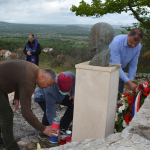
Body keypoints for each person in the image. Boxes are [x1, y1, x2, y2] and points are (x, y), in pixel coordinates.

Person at [0, 60, 58, 150]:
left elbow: (18, 76)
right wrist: (43, 128)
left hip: (2, 84)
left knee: (3, 113)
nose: (48, 87)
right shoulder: (28, 82)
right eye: (48, 84)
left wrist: (16, 96)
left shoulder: (34, 69)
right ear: (42, 77)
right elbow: (26, 112)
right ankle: (11, 147)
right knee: (7, 115)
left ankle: (3, 139)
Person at [34, 71, 75, 139]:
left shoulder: (69, 76)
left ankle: (63, 126)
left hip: (59, 96)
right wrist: (55, 130)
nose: (65, 93)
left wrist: (73, 93)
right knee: (47, 112)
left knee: (73, 103)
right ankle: (44, 130)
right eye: (63, 91)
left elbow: (74, 79)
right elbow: (50, 111)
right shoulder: (49, 89)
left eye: (66, 92)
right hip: (43, 97)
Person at [109, 28, 143, 100]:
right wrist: (129, 82)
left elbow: (133, 64)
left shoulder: (139, 46)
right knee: (108, 93)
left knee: (118, 94)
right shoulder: (116, 42)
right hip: (108, 68)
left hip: (122, 69)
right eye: (131, 42)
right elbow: (116, 65)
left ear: (140, 40)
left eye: (136, 44)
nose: (133, 45)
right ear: (128, 35)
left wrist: (130, 80)